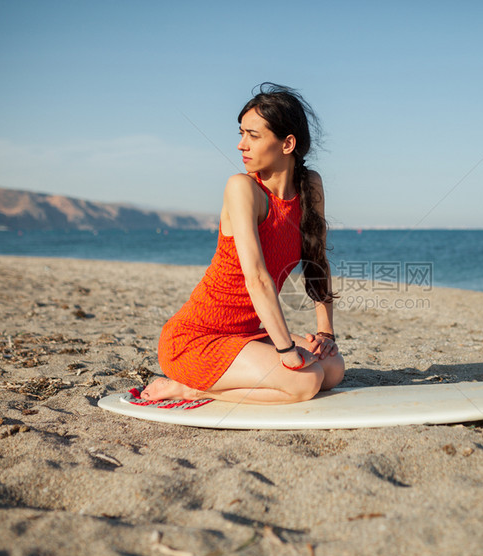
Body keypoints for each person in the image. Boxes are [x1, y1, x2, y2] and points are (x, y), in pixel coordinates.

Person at [140, 83, 344, 405]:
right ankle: (190, 388)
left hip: (246, 334)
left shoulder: (310, 186)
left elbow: (316, 261)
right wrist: (286, 350)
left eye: (253, 135)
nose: (240, 145)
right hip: (198, 338)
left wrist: (325, 334)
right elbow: (258, 278)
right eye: (241, 133)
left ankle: (237, 376)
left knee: (332, 368)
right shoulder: (243, 189)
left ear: (287, 143)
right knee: (306, 383)